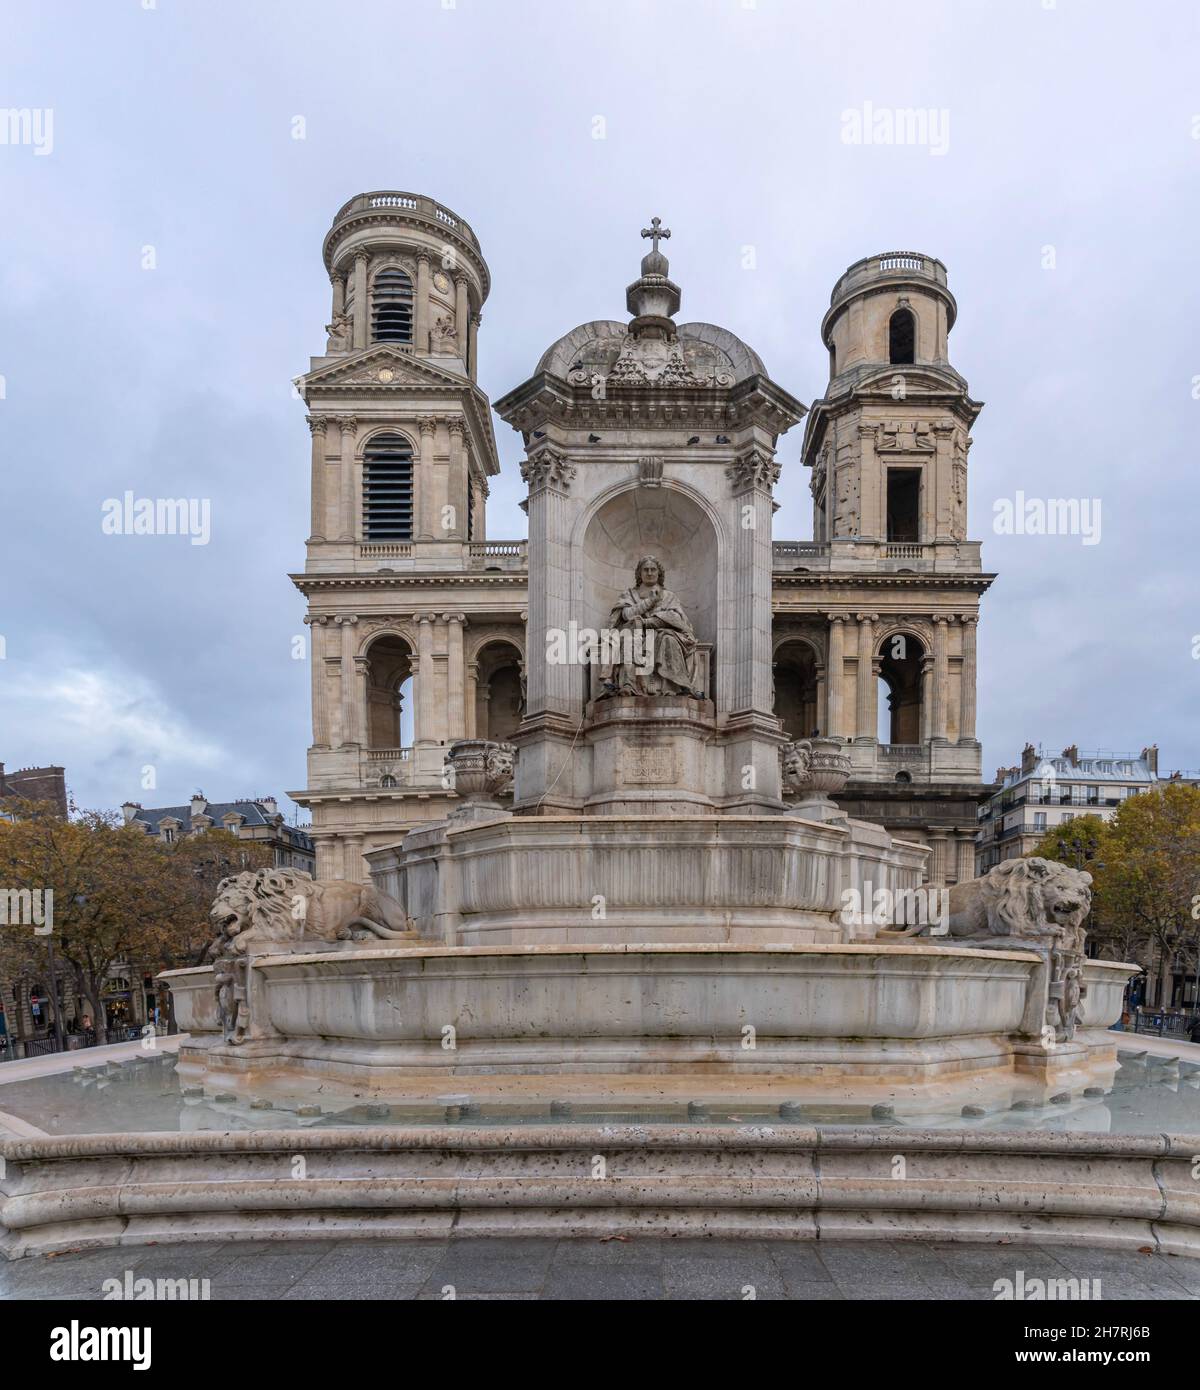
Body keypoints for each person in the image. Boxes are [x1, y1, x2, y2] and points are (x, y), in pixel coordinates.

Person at [599, 555, 702, 698]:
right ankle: (628, 684)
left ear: (659, 573)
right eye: (645, 569)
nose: (649, 572)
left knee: (668, 640)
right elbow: (626, 614)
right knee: (628, 637)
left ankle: (671, 686)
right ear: (639, 574)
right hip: (635, 632)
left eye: (653, 569)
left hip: (663, 632)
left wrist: (649, 622)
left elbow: (677, 618)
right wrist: (650, 601)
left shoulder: (668, 596)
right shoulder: (629, 594)